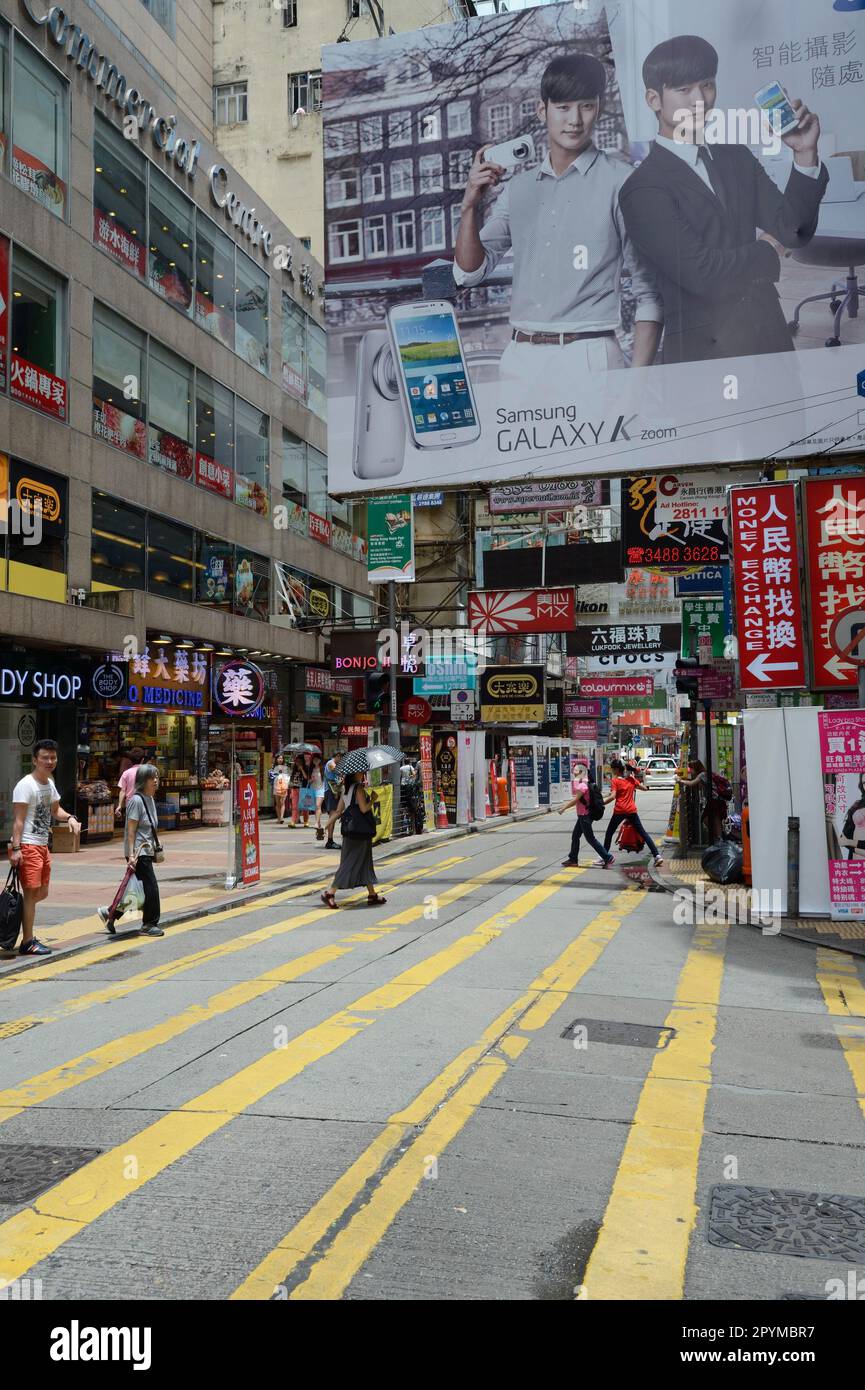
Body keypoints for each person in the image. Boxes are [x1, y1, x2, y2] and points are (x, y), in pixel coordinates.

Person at [618, 34, 827, 364]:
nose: (699, 99)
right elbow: (703, 275)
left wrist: (805, 154)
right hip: (703, 353)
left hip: (769, 337)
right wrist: (769, 248)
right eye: (683, 89)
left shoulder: (736, 158)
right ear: (653, 99)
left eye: (707, 85)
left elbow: (793, 230)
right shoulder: (642, 188)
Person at [453, 52, 662, 381]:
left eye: (586, 106)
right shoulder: (518, 188)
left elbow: (649, 290)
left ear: (599, 107)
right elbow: (469, 273)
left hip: (590, 356)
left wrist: (636, 385)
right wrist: (470, 206)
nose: (575, 120)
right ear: (542, 111)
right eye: (563, 107)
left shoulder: (623, 182)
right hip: (520, 358)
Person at [8, 739, 81, 956]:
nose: (49, 761)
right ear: (34, 760)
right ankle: (28, 941)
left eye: (53, 757)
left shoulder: (49, 784)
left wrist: (70, 818)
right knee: (31, 895)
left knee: (42, 892)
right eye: (45, 758)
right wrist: (16, 848)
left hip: (42, 845)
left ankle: (17, 916)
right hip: (28, 845)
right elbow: (18, 820)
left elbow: (55, 810)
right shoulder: (25, 785)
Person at [99, 763, 164, 937]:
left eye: (157, 777)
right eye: (152, 778)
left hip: (146, 850)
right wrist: (132, 855)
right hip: (138, 851)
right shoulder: (136, 800)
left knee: (136, 890)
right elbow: (131, 830)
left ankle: (111, 912)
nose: (156, 781)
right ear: (143, 781)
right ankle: (149, 924)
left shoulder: (150, 799)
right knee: (151, 888)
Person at [320, 771, 386, 909]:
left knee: (365, 862)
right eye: (361, 772)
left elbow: (338, 812)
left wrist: (325, 826)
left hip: (349, 831)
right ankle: (330, 893)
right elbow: (364, 809)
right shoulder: (359, 788)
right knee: (350, 862)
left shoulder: (345, 789)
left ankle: (372, 894)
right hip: (360, 832)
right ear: (355, 774)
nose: (363, 773)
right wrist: (373, 798)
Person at [602, 757, 663, 867]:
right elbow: (644, 788)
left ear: (616, 770)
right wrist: (637, 781)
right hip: (631, 811)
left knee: (609, 833)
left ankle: (604, 857)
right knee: (643, 833)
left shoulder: (615, 781)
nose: (612, 771)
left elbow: (613, 796)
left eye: (612, 769)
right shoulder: (631, 779)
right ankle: (657, 856)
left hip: (620, 811)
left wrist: (602, 804)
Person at [558, 762, 613, 868]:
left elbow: (575, 800)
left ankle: (607, 857)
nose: (574, 772)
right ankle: (573, 859)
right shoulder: (585, 783)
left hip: (585, 815)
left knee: (590, 839)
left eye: (576, 770)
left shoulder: (583, 785)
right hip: (583, 815)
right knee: (575, 836)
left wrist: (563, 808)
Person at [115, 745, 145, 820]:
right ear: (143, 759)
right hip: (145, 803)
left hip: (130, 804)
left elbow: (122, 791)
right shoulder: (148, 772)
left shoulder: (126, 773)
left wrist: (119, 805)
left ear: (130, 760)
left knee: (130, 828)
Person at [322, 751, 344, 849]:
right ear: (338, 756)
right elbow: (336, 771)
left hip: (334, 792)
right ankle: (329, 839)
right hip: (331, 792)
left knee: (335, 815)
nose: (341, 760)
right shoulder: (331, 763)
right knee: (333, 815)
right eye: (341, 758)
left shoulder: (334, 764)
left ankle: (330, 839)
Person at [288, 753, 310, 829]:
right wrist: (290, 788)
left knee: (305, 807)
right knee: (294, 806)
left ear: (302, 761)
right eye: (296, 761)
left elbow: (306, 778)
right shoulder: (293, 768)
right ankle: (293, 822)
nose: (298, 762)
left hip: (303, 789)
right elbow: (291, 778)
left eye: (299, 761)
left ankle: (306, 821)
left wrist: (302, 769)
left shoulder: (306, 768)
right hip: (294, 789)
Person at [269, 752, 290, 825]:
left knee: (282, 802)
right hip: (276, 786)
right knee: (277, 803)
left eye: (281, 758)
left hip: (284, 786)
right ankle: (278, 818)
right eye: (279, 758)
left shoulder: (286, 767)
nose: (280, 759)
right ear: (276, 759)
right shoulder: (273, 767)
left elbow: (288, 776)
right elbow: (271, 777)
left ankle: (281, 818)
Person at [309, 752, 326, 840]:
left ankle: (316, 823)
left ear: (320, 760)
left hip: (321, 790)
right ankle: (319, 826)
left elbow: (326, 780)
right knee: (316, 808)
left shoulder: (323, 769)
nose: (316, 761)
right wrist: (311, 780)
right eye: (314, 759)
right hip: (313, 789)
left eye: (317, 759)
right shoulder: (311, 769)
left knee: (318, 806)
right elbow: (308, 781)